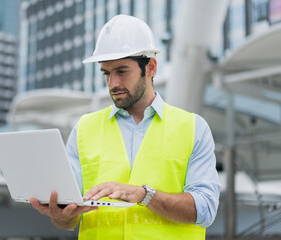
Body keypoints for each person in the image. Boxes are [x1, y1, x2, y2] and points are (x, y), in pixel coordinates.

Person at [30, 14, 220, 240]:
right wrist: (62, 216)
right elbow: (71, 216)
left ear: (150, 67)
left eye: (122, 71)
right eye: (106, 73)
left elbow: (205, 209)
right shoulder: (83, 129)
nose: (113, 84)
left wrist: (143, 195)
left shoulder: (193, 128)